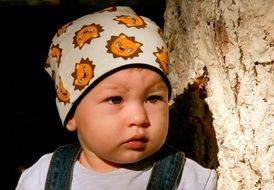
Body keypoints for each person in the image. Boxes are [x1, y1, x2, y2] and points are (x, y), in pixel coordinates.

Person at [15, 6, 217, 190]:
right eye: (115, 100)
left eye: (153, 98)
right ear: (71, 115)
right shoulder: (41, 178)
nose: (139, 118)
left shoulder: (190, 181)